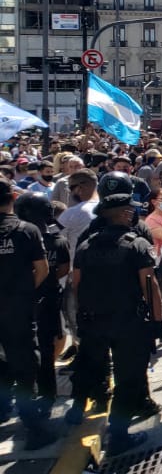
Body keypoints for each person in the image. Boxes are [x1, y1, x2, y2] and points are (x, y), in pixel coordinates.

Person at [68, 173, 162, 454]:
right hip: (128, 323)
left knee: (93, 367)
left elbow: (76, 285)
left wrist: (82, 319)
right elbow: (151, 285)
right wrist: (158, 322)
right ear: (124, 213)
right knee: (128, 378)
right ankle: (119, 434)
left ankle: (79, 407)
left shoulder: (86, 245)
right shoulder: (136, 243)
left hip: (95, 322)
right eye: (131, 209)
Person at [0, 180, 56, 450]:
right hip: (19, 310)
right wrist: (23, 293)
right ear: (12, 197)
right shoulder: (27, 230)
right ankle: (34, 429)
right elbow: (42, 269)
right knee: (25, 368)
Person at [13, 192, 71, 416]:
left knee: (22, 353)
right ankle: (47, 397)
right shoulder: (58, 240)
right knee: (47, 353)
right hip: (49, 301)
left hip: (23, 303)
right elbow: (63, 269)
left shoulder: (22, 238)